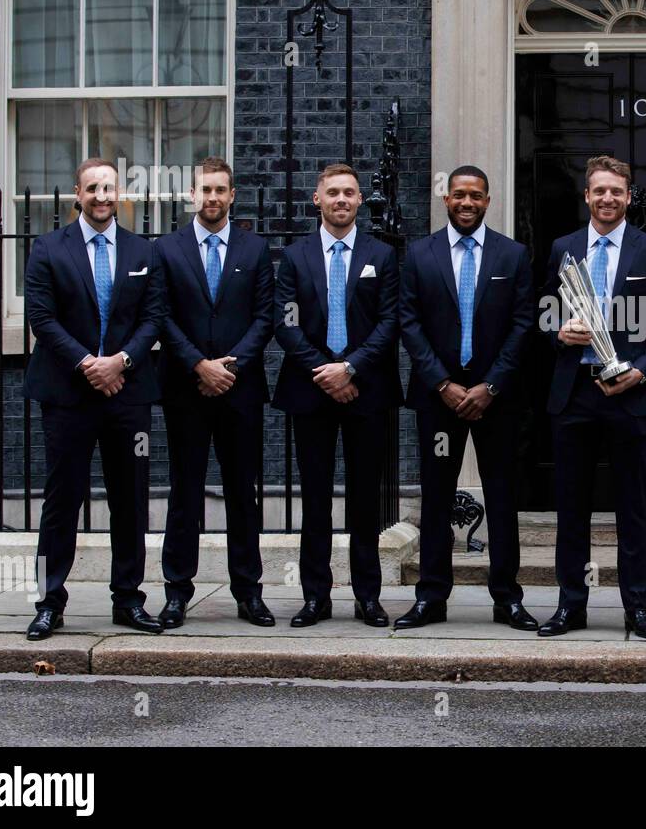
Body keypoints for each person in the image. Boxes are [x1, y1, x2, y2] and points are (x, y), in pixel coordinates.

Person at [538, 155, 646, 640]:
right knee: (571, 508)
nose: (607, 199)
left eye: (616, 192)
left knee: (633, 508)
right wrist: (559, 334)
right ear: (587, 196)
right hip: (575, 393)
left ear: (628, 197)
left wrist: (641, 372)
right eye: (599, 191)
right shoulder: (562, 248)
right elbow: (539, 317)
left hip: (630, 395)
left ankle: (637, 608)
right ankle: (570, 607)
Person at [23, 158, 165, 639]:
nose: (102, 197)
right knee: (61, 500)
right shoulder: (47, 249)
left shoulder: (142, 250)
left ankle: (128, 600)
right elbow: (42, 319)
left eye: (109, 188)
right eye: (92, 189)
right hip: (68, 393)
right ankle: (49, 601)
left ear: (118, 192)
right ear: (77, 196)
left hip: (128, 393)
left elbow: (153, 317)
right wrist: (89, 364)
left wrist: (119, 361)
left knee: (131, 499)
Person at [395, 165, 537, 631]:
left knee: (502, 497)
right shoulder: (420, 254)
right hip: (440, 398)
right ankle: (432, 597)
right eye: (459, 195)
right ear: (446, 199)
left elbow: (523, 325)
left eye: (476, 195)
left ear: (488, 200)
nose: (467, 203)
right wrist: (442, 383)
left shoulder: (513, 255)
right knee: (436, 498)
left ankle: (507, 598)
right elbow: (409, 323)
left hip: (497, 399)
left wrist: (490, 386)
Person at [272, 163, 403, 628]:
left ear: (360, 200)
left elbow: (391, 322)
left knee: (365, 499)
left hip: (366, 390)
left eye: (349, 192)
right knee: (315, 498)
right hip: (310, 392)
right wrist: (323, 370)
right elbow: (285, 321)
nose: (341, 200)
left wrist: (349, 367)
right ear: (317, 199)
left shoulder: (381, 257)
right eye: (333, 193)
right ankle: (316, 597)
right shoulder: (294, 256)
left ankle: (368, 596)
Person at [153, 158, 276, 628]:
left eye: (220, 190)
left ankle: (248, 592)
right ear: (192, 194)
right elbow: (160, 315)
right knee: (184, 492)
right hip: (185, 389)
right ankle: (176, 594)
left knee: (242, 493)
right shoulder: (166, 249)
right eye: (205, 190)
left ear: (232, 195)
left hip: (240, 390)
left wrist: (230, 366)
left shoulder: (255, 248)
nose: (212, 198)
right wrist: (198, 365)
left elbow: (264, 317)